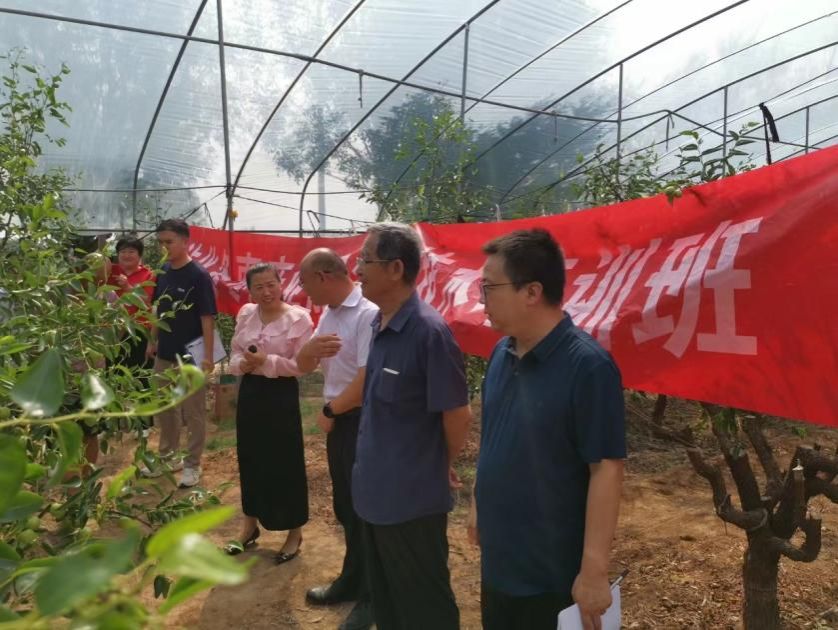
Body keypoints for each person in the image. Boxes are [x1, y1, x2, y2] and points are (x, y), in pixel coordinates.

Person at [471, 229, 626, 630]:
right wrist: (477, 503)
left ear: (532, 292)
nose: (482, 299)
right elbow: (492, 436)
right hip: (500, 563)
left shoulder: (587, 367)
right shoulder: (502, 353)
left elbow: (606, 468)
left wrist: (594, 569)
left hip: (550, 576)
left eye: (489, 287)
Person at [352, 223, 472, 630]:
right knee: (389, 602)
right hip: (374, 496)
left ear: (395, 269)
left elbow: (457, 415)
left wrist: (439, 463)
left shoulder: (429, 333)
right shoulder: (379, 323)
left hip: (411, 502)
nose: (357, 269)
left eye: (365, 259)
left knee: (424, 607)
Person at [296, 248, 378, 630]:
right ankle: (352, 578)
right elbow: (304, 365)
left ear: (324, 276)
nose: (304, 290)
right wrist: (309, 350)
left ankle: (374, 595)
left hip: (361, 421)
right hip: (340, 423)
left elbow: (367, 380)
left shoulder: (367, 314)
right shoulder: (328, 314)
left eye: (305, 282)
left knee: (367, 510)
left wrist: (330, 411)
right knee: (346, 506)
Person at [224, 263, 312, 563]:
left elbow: (302, 366)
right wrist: (243, 364)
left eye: (271, 284)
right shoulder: (246, 314)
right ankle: (249, 526)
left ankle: (294, 531)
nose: (266, 292)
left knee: (285, 460)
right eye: (258, 287)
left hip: (281, 395)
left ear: (281, 284)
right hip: (251, 392)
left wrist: (266, 361)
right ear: (250, 291)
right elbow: (235, 353)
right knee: (250, 457)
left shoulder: (298, 319)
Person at [145, 218, 217, 488]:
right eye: (160, 242)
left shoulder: (198, 276)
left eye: (169, 242)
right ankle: (168, 457)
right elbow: (158, 309)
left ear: (186, 242)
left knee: (193, 412)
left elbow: (207, 318)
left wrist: (207, 357)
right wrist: (152, 340)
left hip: (190, 357)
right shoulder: (163, 271)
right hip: (165, 353)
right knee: (166, 408)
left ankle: (192, 464)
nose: (164, 247)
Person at [110, 234, 155, 435]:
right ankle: (112, 425)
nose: (126, 255)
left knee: (140, 376)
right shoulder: (111, 273)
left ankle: (144, 425)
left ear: (139, 255)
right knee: (113, 376)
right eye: (122, 251)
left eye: (131, 251)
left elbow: (147, 304)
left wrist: (128, 287)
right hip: (113, 333)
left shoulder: (149, 276)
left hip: (139, 332)